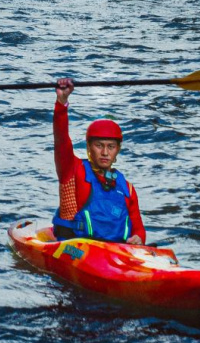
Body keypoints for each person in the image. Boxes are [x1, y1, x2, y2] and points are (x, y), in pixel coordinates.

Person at [51, 76, 145, 244]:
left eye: (110, 147)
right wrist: (62, 103)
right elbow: (61, 140)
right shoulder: (73, 171)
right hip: (78, 248)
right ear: (89, 147)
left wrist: (138, 238)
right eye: (99, 145)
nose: (105, 152)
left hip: (114, 254)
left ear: (118, 150)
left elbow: (138, 229)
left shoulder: (127, 189)